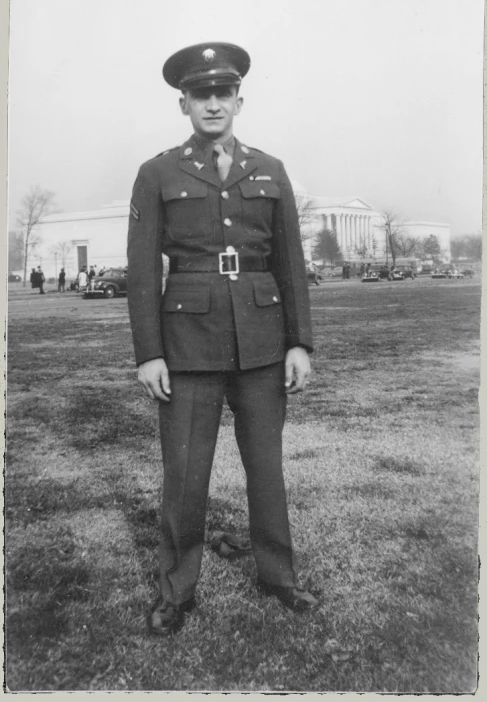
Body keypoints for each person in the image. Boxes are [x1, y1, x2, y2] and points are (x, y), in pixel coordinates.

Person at [127, 42, 320, 637]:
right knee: (185, 472)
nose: (213, 104)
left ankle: (278, 575)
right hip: (188, 345)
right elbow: (140, 270)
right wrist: (149, 353)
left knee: (266, 466)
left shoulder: (271, 169)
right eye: (200, 95)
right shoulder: (158, 172)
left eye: (222, 93)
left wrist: (299, 343)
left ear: (239, 99)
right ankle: (177, 589)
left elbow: (289, 260)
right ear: (183, 102)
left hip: (262, 341)